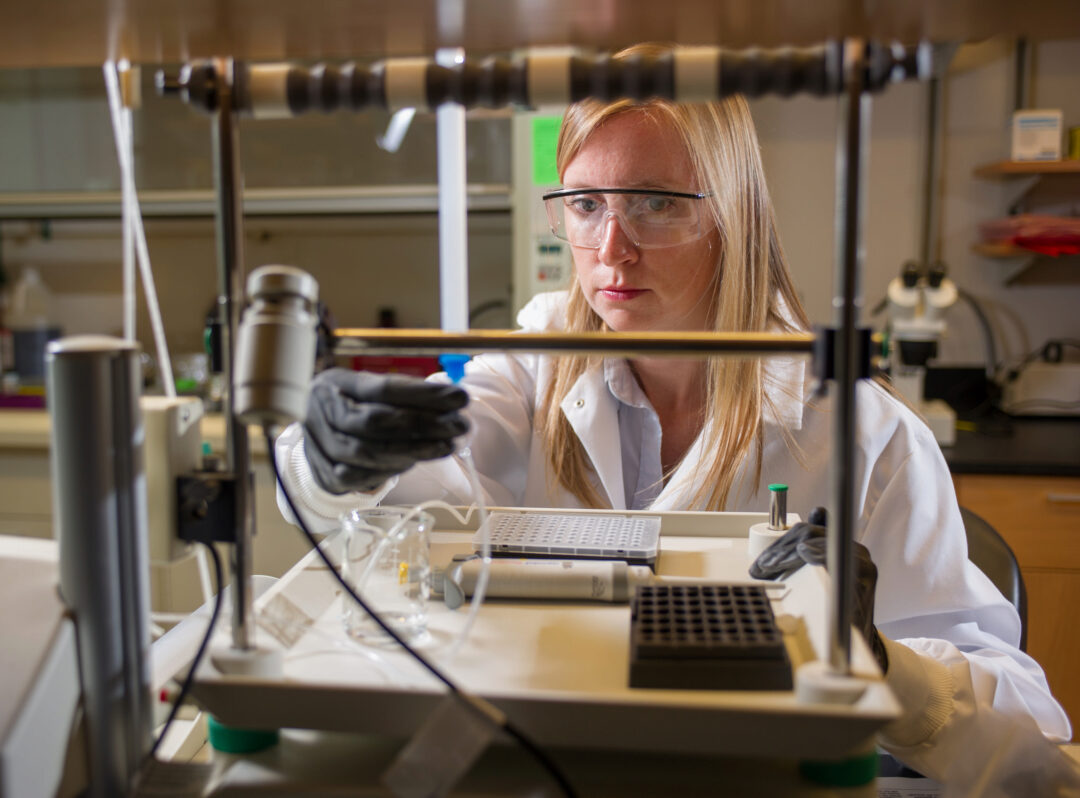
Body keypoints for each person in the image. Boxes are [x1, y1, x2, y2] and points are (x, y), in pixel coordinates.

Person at [274, 44, 1076, 792]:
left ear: (731, 214)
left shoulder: (862, 433)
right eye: (585, 204)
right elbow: (417, 486)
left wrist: (877, 661)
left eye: (656, 203)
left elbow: (1037, 746)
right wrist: (331, 456)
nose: (611, 248)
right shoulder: (532, 368)